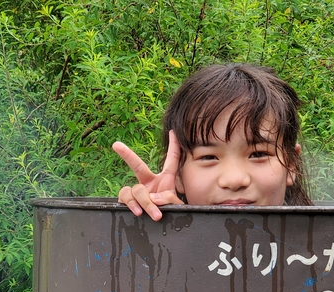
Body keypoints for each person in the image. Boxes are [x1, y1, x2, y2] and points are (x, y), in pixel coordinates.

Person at [113, 63, 312, 221]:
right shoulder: (164, 250)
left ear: (291, 164)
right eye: (208, 157)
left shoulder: (323, 252)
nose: (234, 180)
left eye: (258, 154)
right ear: (179, 175)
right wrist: (159, 225)